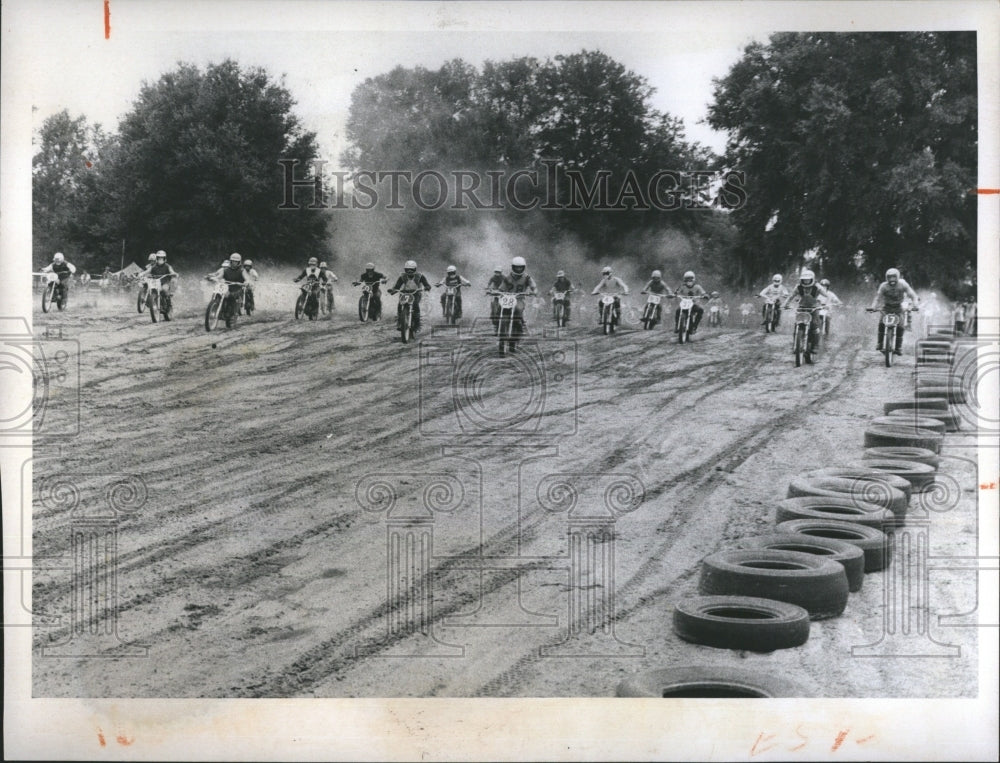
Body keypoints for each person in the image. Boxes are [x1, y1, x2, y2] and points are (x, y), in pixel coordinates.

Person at [868, 267, 920, 355]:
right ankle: (880, 343)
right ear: (886, 277)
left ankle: (898, 347)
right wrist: (873, 307)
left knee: (900, 326)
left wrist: (916, 305)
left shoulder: (903, 284)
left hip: (898, 308)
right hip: (886, 308)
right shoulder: (883, 286)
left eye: (894, 277)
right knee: (881, 324)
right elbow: (877, 298)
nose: (892, 279)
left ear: (898, 276)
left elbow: (913, 295)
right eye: (889, 277)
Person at [783, 269, 831, 363]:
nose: (806, 281)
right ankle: (796, 344)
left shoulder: (817, 286)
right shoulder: (798, 287)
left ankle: (815, 346)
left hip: (814, 308)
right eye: (804, 279)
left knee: (815, 326)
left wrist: (826, 304)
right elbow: (791, 296)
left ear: (812, 279)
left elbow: (827, 295)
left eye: (808, 279)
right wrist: (785, 304)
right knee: (797, 324)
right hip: (802, 307)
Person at [493, 256, 537, 346]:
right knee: (499, 309)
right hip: (507, 298)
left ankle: (520, 326)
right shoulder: (508, 277)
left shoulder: (527, 278)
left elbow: (533, 286)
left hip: (519, 299)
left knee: (518, 310)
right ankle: (498, 325)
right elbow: (501, 288)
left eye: (520, 267)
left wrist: (534, 292)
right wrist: (497, 292)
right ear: (513, 267)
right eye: (517, 267)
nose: (518, 269)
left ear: (523, 267)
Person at [387, 260, 432, 334]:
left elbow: (427, 284)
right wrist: (393, 290)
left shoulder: (420, 276)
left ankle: (417, 325)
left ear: (415, 269)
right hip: (404, 293)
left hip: (416, 293)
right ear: (405, 269)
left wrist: (427, 287)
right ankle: (400, 322)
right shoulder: (402, 276)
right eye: (407, 269)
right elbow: (397, 286)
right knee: (400, 305)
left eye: (412, 269)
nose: (409, 271)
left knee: (415, 305)